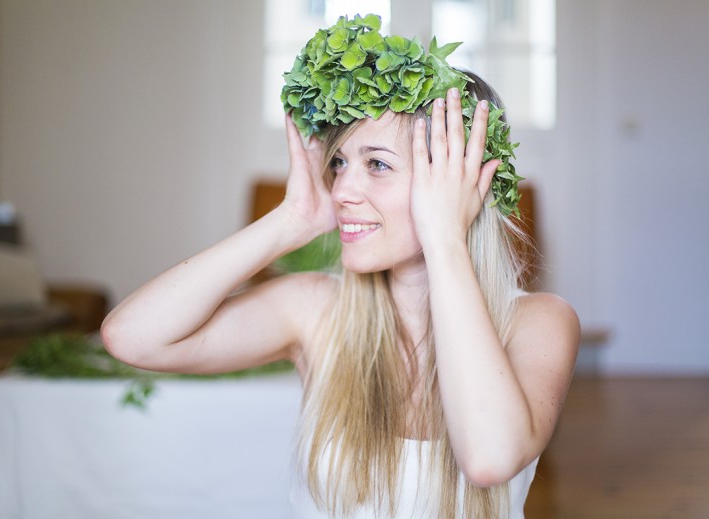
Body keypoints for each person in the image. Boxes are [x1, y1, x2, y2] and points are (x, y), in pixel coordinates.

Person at [101, 14, 579, 519]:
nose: (344, 190)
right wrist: (291, 221)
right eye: (339, 163)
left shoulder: (539, 322)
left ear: (461, 182)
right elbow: (133, 337)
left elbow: (488, 458)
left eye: (376, 164)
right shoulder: (316, 310)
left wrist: (445, 239)